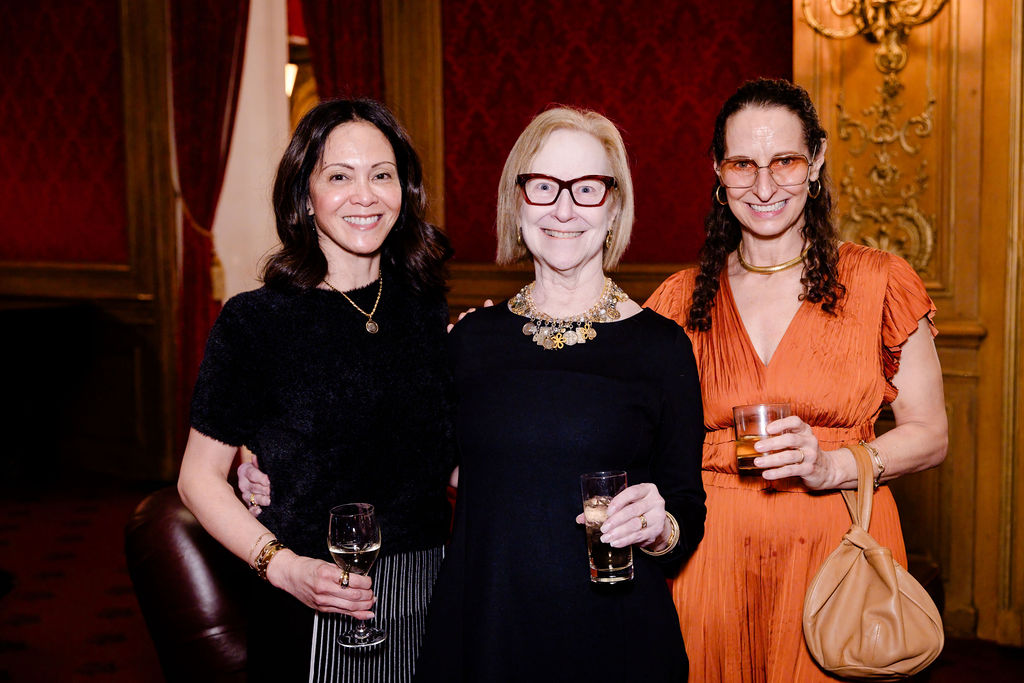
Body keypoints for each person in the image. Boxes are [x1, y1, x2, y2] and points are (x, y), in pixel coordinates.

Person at [645, 78, 948, 682]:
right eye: (742, 164)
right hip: (710, 560)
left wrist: (832, 467)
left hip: (836, 552)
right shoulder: (677, 303)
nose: (763, 186)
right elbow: (619, 424)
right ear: (717, 170)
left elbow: (930, 434)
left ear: (816, 161)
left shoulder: (879, 282)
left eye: (784, 161)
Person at [412, 107, 706, 682]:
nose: (564, 208)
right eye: (544, 186)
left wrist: (658, 526)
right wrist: (263, 460)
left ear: (614, 205)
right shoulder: (470, 341)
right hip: (485, 633)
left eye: (587, 188)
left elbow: (685, 513)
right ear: (516, 201)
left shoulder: (662, 348)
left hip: (616, 643)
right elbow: (417, 471)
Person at [176, 99, 455, 683]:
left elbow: (440, 460)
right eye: (339, 176)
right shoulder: (257, 322)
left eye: (382, 175)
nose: (365, 195)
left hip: (432, 590)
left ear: (404, 191)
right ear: (305, 196)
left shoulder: (426, 309)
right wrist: (282, 568)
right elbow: (198, 480)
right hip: (313, 595)